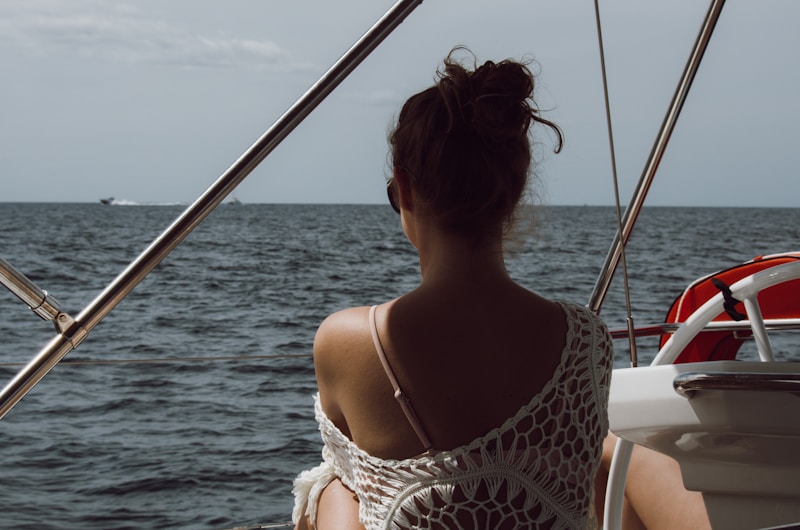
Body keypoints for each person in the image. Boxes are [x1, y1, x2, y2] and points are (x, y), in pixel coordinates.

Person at [292, 47, 614, 530]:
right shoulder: (586, 340)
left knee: (336, 485)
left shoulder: (347, 342)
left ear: (403, 187)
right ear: (516, 190)